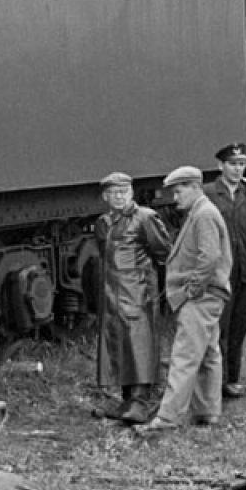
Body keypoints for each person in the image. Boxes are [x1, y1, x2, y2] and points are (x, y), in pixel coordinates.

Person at [135, 166, 232, 437]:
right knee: (209, 353)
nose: (175, 198)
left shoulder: (203, 215)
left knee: (184, 357)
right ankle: (207, 411)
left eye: (179, 192)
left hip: (201, 296)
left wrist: (192, 290)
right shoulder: (202, 212)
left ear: (194, 187)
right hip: (209, 294)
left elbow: (208, 257)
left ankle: (167, 418)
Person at [93, 172, 172, 420]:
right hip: (112, 293)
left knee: (140, 344)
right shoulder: (103, 222)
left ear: (132, 193)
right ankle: (127, 400)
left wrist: (152, 284)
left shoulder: (145, 218)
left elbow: (163, 251)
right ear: (105, 196)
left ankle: (141, 401)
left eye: (123, 192)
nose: (119, 197)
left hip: (138, 292)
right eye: (113, 192)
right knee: (119, 344)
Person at [204, 142, 246, 398]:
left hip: (243, 271)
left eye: (241, 164)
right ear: (221, 166)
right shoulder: (208, 195)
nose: (237, 169)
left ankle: (232, 379)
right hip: (218, 273)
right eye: (232, 164)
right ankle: (215, 380)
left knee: (238, 327)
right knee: (218, 328)